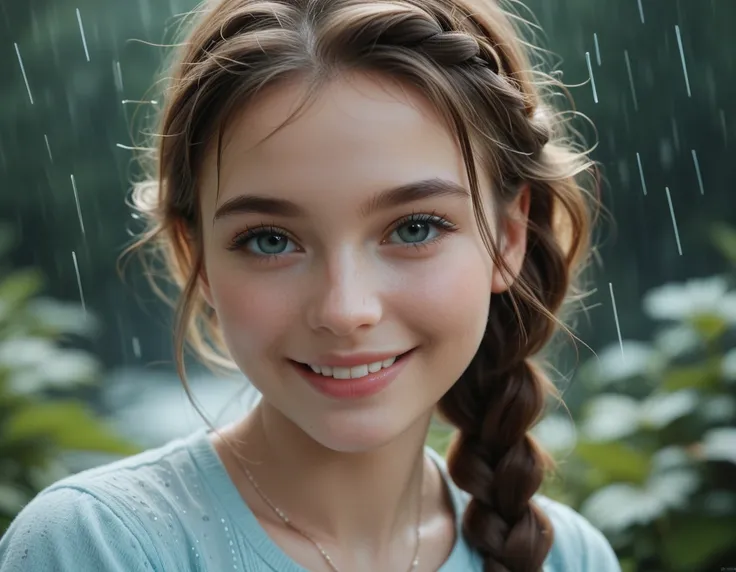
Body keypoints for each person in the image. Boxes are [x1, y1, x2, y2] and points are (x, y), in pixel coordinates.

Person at [0, 0, 621, 570]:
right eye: (271, 239)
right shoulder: (97, 546)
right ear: (198, 259)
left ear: (508, 236)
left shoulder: (571, 558)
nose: (345, 310)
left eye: (414, 228)